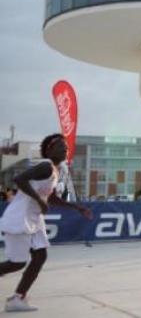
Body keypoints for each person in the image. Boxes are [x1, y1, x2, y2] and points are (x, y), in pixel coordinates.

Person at [0, 133, 93, 312]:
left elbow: (52, 198)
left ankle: (17, 299)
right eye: (61, 147)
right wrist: (40, 201)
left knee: (40, 256)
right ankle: (17, 299)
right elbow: (19, 179)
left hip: (34, 220)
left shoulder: (56, 171)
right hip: (20, 218)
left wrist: (77, 208)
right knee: (17, 263)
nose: (65, 149)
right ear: (50, 150)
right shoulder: (45, 166)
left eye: (66, 147)